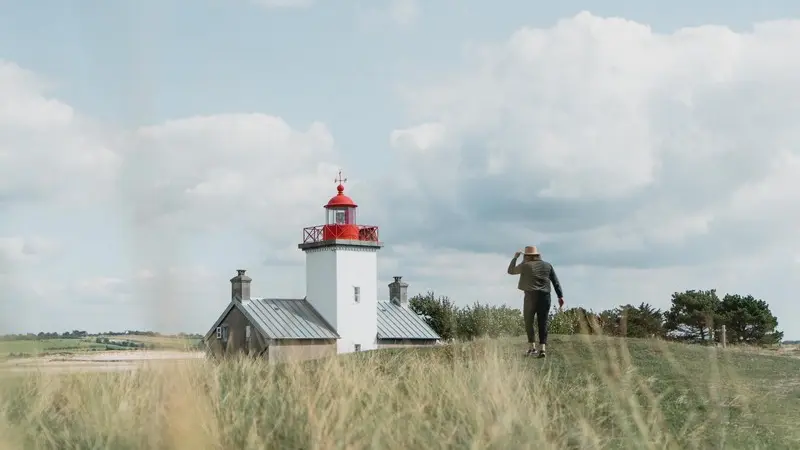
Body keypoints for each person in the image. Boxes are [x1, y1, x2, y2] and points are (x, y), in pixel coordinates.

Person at [507, 246, 564, 358]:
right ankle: (542, 349)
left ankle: (532, 348)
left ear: (527, 256)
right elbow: (555, 281)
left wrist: (515, 258)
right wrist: (560, 296)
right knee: (543, 322)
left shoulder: (525, 265)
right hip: (545, 296)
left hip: (530, 296)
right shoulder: (548, 265)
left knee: (529, 321)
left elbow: (511, 271)